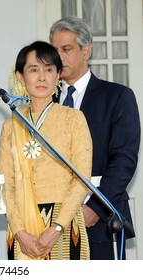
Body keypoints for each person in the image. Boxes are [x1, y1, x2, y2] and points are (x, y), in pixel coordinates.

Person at [49, 16, 141, 260]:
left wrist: (96, 207)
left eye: (66, 49)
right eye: (54, 51)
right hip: (52, 225)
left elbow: (124, 160)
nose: (59, 57)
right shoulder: (45, 103)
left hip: (100, 223)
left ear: (86, 50)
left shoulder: (117, 97)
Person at [0, 40, 92, 260]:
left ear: (59, 75)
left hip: (64, 223)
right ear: (20, 76)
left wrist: (56, 227)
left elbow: (82, 178)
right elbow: (5, 184)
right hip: (22, 229)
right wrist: (20, 231)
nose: (42, 77)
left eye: (49, 70)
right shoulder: (12, 126)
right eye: (34, 70)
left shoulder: (73, 119)